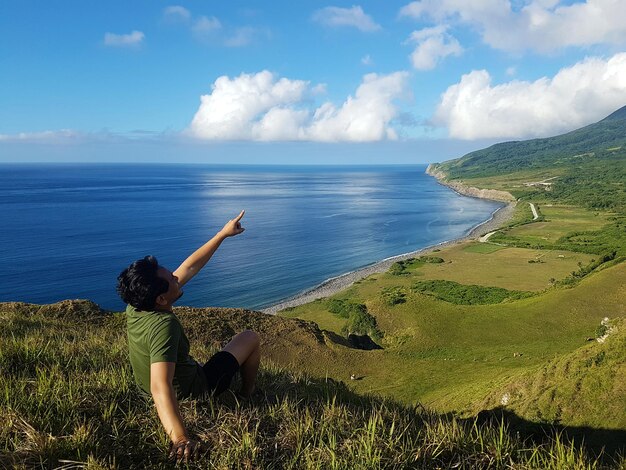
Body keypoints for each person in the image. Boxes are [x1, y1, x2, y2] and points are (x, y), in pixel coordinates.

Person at [116, 210, 260, 462]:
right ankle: (247, 395)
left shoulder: (137, 306)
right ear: (161, 299)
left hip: (147, 387)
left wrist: (222, 235)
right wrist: (180, 438)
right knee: (250, 337)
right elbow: (160, 386)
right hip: (195, 390)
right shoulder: (164, 325)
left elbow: (190, 266)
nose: (176, 277)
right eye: (171, 279)